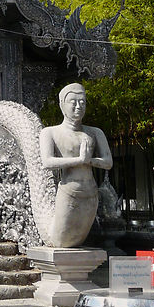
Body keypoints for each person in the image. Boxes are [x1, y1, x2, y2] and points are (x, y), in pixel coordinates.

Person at [39, 83, 113, 248]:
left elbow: (108, 162)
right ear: (62, 105)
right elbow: (47, 162)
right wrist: (79, 160)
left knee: (77, 241)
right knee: (61, 241)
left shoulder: (95, 132)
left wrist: (90, 161)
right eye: (73, 102)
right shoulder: (50, 132)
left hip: (91, 192)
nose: (79, 106)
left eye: (83, 102)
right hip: (69, 191)